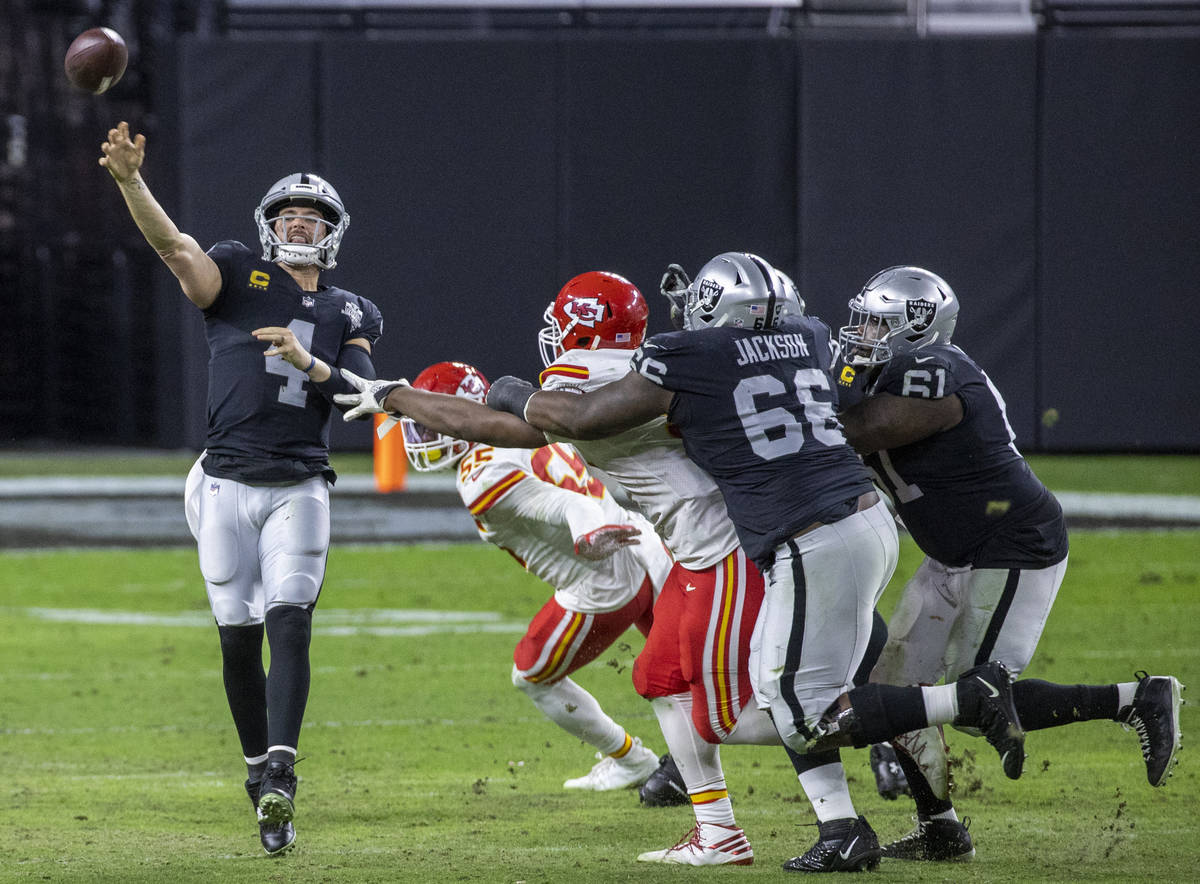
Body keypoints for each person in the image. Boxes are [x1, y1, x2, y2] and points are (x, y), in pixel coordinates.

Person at [471, 252, 1032, 872]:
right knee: (693, 681)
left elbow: (581, 415)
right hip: (836, 523)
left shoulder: (688, 361)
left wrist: (502, 393)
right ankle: (838, 822)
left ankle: (949, 715)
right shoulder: (808, 339)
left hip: (785, 537)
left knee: (788, 709)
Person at [339, 271, 787, 867]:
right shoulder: (630, 376)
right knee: (665, 677)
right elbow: (559, 444)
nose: (427, 434)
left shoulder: (511, 448)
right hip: (665, 549)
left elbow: (563, 482)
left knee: (720, 706)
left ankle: (870, 720)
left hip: (669, 557)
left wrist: (589, 523)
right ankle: (717, 822)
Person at [831, 265, 1185, 861]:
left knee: (975, 700)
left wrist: (808, 399)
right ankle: (940, 829)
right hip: (952, 554)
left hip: (1013, 543)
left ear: (918, 329)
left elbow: (865, 429)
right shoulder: (892, 370)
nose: (863, 332)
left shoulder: (938, 371)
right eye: (863, 318)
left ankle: (1138, 699)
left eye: (879, 323)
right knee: (895, 693)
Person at [100, 122, 384, 856]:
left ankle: (283, 778)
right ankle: (257, 773)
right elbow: (176, 251)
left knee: (291, 619)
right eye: (289, 214)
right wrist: (132, 181)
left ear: (332, 233)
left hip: (299, 483)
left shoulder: (348, 310)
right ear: (268, 226)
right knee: (237, 635)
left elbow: (363, 395)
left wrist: (310, 362)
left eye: (312, 217)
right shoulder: (238, 277)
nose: (299, 224)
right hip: (224, 480)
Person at [398, 359, 672, 791]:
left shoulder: (481, 472)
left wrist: (589, 530)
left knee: (532, 675)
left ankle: (632, 760)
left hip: (602, 581)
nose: (428, 431)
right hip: (639, 552)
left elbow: (569, 505)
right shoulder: (523, 425)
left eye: (436, 419)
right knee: (686, 678)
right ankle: (693, 772)